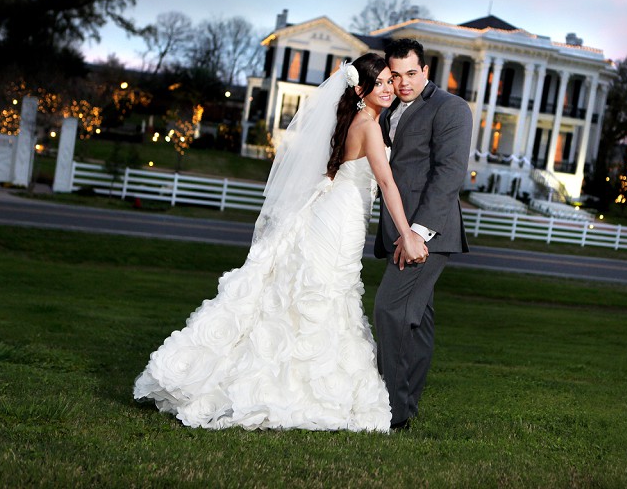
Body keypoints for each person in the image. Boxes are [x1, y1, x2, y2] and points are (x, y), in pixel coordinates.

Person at [133, 53, 426, 432]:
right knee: (324, 292)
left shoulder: (359, 119)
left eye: (390, 82)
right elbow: (386, 183)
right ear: (359, 89)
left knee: (324, 290)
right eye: (382, 82)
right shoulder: (368, 125)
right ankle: (301, 388)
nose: (389, 88)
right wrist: (408, 233)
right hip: (340, 218)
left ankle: (308, 378)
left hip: (338, 211)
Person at [374, 38, 473, 430]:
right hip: (399, 229)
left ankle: (392, 413)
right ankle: (407, 406)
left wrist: (416, 233)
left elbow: (448, 174)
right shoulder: (387, 109)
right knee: (417, 320)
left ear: (426, 71)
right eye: (395, 75)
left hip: (426, 234)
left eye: (411, 74)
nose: (402, 83)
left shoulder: (451, 109)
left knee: (390, 309)